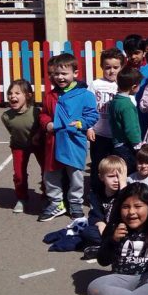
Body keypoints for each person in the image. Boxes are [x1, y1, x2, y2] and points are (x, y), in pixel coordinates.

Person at [38, 53, 99, 222]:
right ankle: (56, 202)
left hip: (74, 141)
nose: (60, 77)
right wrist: (47, 124)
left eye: (64, 73)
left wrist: (81, 123)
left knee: (75, 176)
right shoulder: (50, 95)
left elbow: (93, 115)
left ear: (75, 73)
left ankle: (75, 203)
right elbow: (43, 115)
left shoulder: (85, 95)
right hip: (54, 141)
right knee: (51, 175)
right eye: (56, 73)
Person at [2, 79, 43, 214]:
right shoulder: (6, 116)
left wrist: (37, 136)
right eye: (10, 93)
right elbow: (13, 131)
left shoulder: (36, 112)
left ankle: (47, 194)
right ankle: (21, 198)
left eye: (17, 93)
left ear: (28, 96)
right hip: (18, 146)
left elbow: (42, 128)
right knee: (19, 174)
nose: (12, 96)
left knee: (47, 170)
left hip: (38, 145)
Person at [87, 47, 124, 197]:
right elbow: (88, 108)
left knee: (118, 166)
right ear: (102, 67)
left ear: (121, 67)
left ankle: (117, 195)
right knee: (98, 165)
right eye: (108, 67)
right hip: (99, 134)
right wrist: (89, 128)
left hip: (118, 136)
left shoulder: (123, 85)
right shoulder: (95, 84)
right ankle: (96, 194)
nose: (112, 71)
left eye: (116, 67)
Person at [109, 68, 143, 172]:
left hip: (117, 143)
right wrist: (137, 143)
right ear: (134, 87)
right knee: (130, 172)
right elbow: (131, 128)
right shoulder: (127, 105)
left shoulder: (114, 101)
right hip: (126, 146)